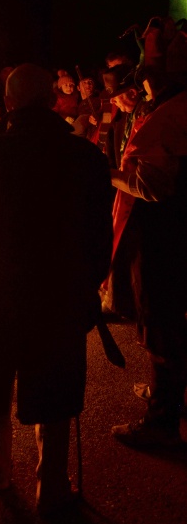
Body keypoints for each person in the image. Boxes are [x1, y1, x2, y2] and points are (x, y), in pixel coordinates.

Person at [0, 64, 113, 515]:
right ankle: (50, 486)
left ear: (10, 104)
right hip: (58, 287)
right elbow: (100, 230)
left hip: (0, 285)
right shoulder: (84, 157)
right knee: (54, 381)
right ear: (55, 101)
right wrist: (90, 281)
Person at [108, 62, 187, 446]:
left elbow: (153, 187)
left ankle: (162, 422)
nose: (144, 83)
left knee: (162, 322)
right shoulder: (170, 108)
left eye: (151, 73)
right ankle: (169, 397)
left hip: (165, 236)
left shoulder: (173, 114)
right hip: (169, 233)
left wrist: (107, 174)